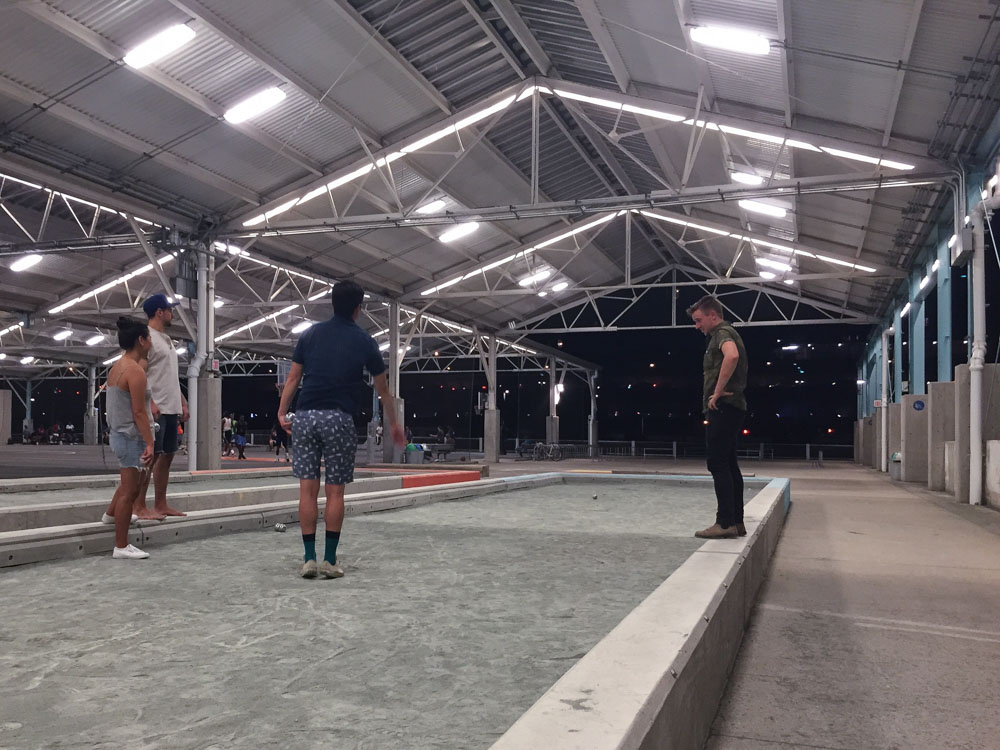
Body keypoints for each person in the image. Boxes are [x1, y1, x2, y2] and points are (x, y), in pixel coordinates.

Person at [278, 280, 405, 580]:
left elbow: (293, 379)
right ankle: (329, 560)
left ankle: (308, 559)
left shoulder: (310, 335)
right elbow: (383, 390)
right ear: (358, 308)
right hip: (338, 419)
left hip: (306, 416)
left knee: (307, 490)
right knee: (335, 492)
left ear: (332, 303)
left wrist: (282, 412)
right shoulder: (365, 341)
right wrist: (394, 424)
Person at [688, 294, 749, 540]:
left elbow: (731, 355)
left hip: (724, 406)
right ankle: (736, 521)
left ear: (713, 315)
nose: (697, 326)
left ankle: (724, 523)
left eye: (699, 320)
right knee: (730, 464)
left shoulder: (722, 333)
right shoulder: (727, 332)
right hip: (733, 407)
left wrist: (717, 391)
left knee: (717, 463)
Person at [100, 317, 156, 559]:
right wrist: (149, 442)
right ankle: (121, 546)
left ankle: (110, 515)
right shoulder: (134, 371)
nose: (151, 342)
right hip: (130, 436)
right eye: (149, 338)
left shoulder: (118, 366)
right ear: (141, 340)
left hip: (120, 433)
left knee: (128, 485)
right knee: (130, 492)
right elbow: (139, 411)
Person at [135, 293, 188, 519]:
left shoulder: (166, 340)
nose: (172, 313)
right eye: (169, 310)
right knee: (151, 458)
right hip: (156, 409)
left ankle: (160, 504)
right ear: (159, 312)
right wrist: (150, 401)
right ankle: (138, 505)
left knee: (167, 456)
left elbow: (170, 376)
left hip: (171, 407)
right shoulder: (146, 338)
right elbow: (139, 372)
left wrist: (182, 402)